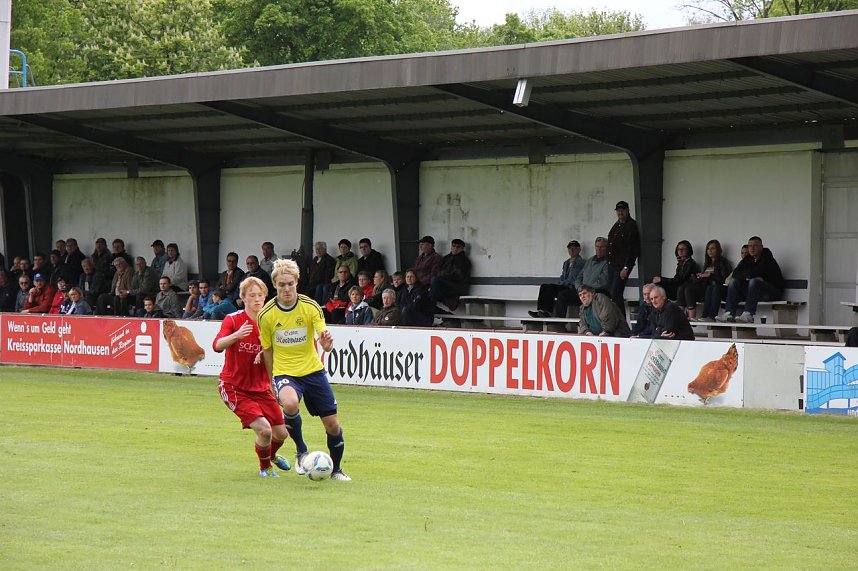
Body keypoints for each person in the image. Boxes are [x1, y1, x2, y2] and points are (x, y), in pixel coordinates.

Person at [259, 259, 351, 481]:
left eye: (290, 284)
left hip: (313, 372)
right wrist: (271, 380)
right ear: (275, 285)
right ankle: (301, 451)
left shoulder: (310, 307)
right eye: (281, 285)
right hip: (285, 373)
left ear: (297, 282)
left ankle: (337, 470)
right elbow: (267, 351)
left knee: (333, 425)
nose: (286, 289)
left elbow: (323, 338)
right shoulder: (267, 314)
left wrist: (327, 345)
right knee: (290, 404)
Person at [213, 276, 292, 478]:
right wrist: (236, 336)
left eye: (260, 295)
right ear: (243, 298)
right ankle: (265, 468)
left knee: (282, 433)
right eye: (252, 296)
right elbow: (217, 345)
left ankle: (270, 455)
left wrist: (266, 353)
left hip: (262, 388)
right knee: (265, 431)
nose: (257, 299)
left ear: (265, 297)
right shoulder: (233, 320)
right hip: (234, 386)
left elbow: (280, 353)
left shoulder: (271, 323)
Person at [717, 236, 785, 324]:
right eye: (749, 246)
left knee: (754, 281)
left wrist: (749, 275)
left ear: (761, 247)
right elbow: (736, 273)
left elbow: (753, 273)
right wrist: (746, 277)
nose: (752, 248)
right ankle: (729, 313)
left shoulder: (768, 259)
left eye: (755, 246)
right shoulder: (748, 259)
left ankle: (748, 314)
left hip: (771, 293)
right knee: (734, 281)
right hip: (754, 293)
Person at [555, 237, 611, 319]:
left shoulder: (608, 262)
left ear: (607, 248)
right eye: (597, 246)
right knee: (562, 295)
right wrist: (579, 288)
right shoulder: (590, 261)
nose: (599, 249)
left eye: (602, 247)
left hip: (597, 291)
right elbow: (579, 277)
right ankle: (557, 324)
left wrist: (587, 289)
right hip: (583, 291)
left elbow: (604, 281)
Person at [680, 239, 732, 321]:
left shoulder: (723, 262)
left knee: (711, 288)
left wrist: (710, 275)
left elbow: (725, 280)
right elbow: (706, 279)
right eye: (708, 249)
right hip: (707, 287)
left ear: (718, 250)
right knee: (686, 287)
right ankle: (695, 316)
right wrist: (698, 277)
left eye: (712, 248)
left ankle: (709, 316)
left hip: (719, 289)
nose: (710, 251)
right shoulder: (707, 263)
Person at [529, 240, 584, 318]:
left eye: (574, 248)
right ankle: (540, 311)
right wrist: (561, 282)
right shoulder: (566, 263)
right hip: (564, 285)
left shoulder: (580, 262)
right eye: (570, 249)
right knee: (544, 286)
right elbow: (562, 276)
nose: (571, 250)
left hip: (571, 287)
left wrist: (561, 283)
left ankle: (547, 312)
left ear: (579, 250)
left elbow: (573, 279)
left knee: (551, 288)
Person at [606, 200, 641, 315]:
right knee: (612, 293)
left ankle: (621, 322)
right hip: (611, 264)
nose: (620, 213)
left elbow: (632, 249)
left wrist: (626, 267)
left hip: (621, 266)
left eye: (622, 210)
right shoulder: (617, 225)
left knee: (616, 293)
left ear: (627, 211)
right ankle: (616, 319)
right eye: (618, 211)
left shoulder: (631, 225)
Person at [430, 238, 472, 312]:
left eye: (458, 247)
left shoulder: (464, 261)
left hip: (457, 286)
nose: (455, 248)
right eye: (454, 246)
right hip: (445, 284)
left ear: (462, 248)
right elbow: (437, 271)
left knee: (436, 282)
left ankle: (431, 307)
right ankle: (431, 307)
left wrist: (442, 277)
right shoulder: (446, 258)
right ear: (451, 247)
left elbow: (457, 276)